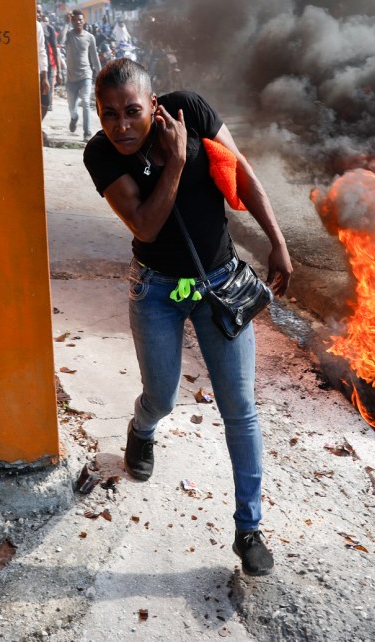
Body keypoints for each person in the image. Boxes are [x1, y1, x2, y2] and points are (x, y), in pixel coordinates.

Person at [83, 58, 293, 577]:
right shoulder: (100, 154)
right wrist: (175, 163)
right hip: (156, 291)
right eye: (109, 115)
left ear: (154, 106)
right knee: (163, 395)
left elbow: (242, 174)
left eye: (133, 111)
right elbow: (146, 227)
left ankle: (249, 528)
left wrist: (278, 241)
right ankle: (142, 426)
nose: (122, 126)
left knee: (239, 408)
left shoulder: (190, 111)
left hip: (218, 284)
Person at [63, 9, 101, 138]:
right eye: (75, 20)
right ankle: (74, 118)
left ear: (84, 21)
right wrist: (65, 24)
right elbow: (60, 40)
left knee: (85, 102)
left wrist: (101, 74)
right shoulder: (68, 35)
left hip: (85, 75)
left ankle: (87, 132)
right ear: (72, 21)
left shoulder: (90, 37)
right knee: (72, 108)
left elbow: (94, 58)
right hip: (71, 78)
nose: (78, 22)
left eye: (80, 20)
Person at [36, 11, 51, 129]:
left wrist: (44, 77)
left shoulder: (37, 26)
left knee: (45, 101)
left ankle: (35, 127)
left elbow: (41, 51)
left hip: (37, 72)